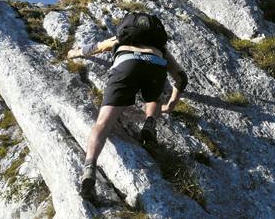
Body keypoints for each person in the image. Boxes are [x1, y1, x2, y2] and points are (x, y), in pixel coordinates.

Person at [66, 12, 188, 199]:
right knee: (154, 98)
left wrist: (75, 53)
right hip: (155, 65)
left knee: (103, 123)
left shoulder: (121, 38)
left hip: (126, 65)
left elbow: (96, 47)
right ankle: (150, 123)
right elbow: (181, 78)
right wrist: (171, 105)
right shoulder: (160, 46)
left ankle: (89, 168)